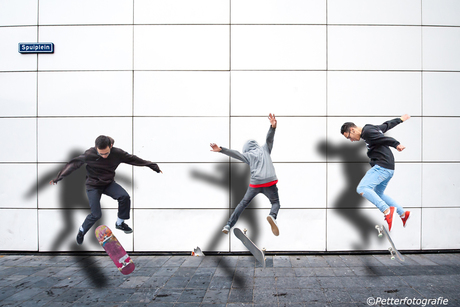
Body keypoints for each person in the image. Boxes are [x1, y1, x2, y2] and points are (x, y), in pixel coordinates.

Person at [50, 135, 162, 245]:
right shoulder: (90, 153)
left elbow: (134, 159)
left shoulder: (118, 153)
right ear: (96, 148)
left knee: (124, 197)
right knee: (96, 215)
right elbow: (73, 164)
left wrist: (153, 166)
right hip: (93, 185)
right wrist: (58, 178)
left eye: (107, 153)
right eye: (101, 153)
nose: (104, 156)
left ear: (111, 146)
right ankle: (81, 231)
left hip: (108, 183)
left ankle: (120, 223)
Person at [210, 113, 280, 236]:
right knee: (275, 203)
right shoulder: (265, 149)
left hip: (255, 183)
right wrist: (272, 127)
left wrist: (221, 149)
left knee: (242, 204)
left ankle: (228, 225)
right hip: (270, 182)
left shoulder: (247, 155)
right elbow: (269, 138)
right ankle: (272, 216)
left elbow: (235, 154)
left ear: (246, 149)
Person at [340, 115, 411, 231]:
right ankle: (403, 214)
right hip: (389, 168)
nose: (351, 140)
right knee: (378, 193)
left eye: (349, 137)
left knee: (362, 188)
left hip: (382, 167)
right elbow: (386, 125)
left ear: (352, 130)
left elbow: (386, 139)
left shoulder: (367, 132)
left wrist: (396, 144)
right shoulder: (371, 129)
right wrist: (400, 120)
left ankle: (387, 211)